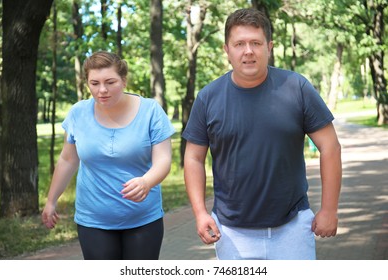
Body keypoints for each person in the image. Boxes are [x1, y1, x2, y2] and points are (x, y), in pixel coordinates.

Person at [182, 8, 342, 260]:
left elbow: (330, 147)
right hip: (232, 233)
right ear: (227, 49)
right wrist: (201, 213)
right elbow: (193, 158)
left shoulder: (296, 87)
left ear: (269, 46)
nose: (248, 51)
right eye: (239, 44)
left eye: (256, 43)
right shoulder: (208, 98)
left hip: (293, 227)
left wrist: (329, 209)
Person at [42, 51, 175, 260]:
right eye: (94, 83)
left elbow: (164, 160)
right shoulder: (78, 113)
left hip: (143, 219)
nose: (102, 90)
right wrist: (51, 201)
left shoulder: (151, 111)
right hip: (93, 221)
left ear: (123, 80)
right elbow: (68, 160)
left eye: (110, 82)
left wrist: (146, 182)